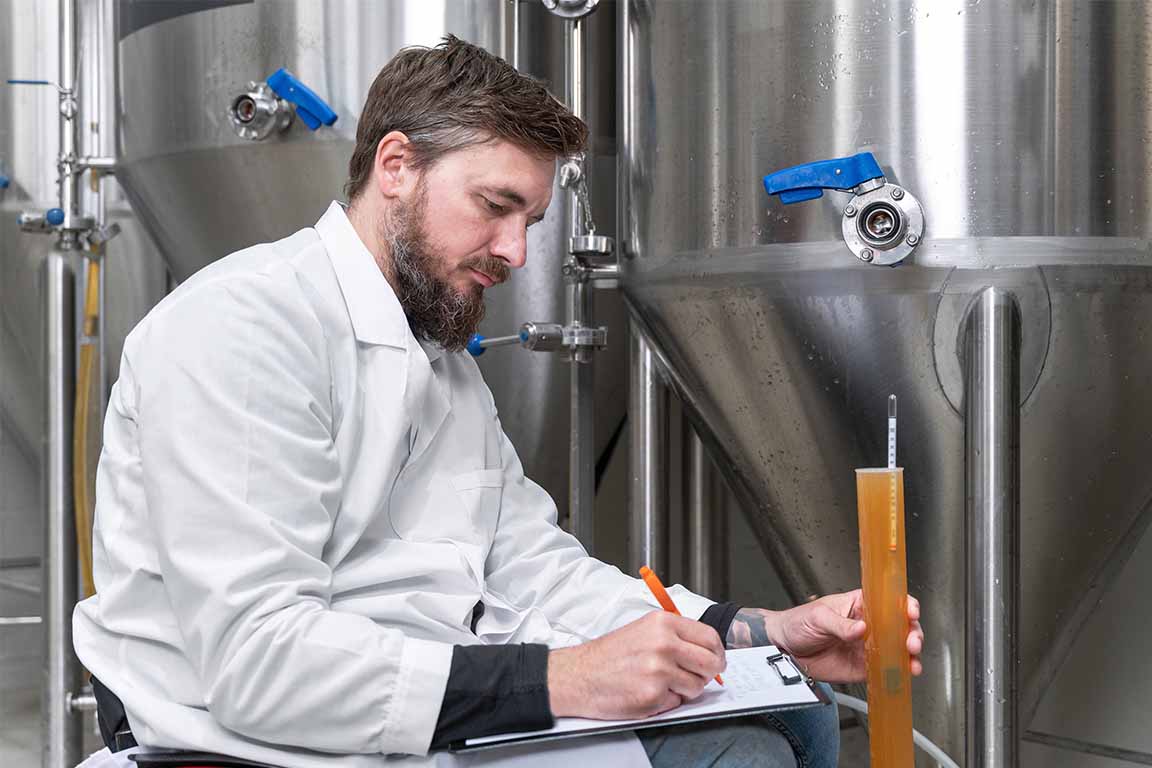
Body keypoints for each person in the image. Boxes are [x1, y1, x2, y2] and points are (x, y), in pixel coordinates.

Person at [73, 36, 923, 768]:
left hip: (427, 711)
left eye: (533, 219)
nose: (516, 251)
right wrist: (564, 679)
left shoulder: (439, 362)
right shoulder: (245, 328)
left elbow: (532, 566)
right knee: (733, 754)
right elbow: (259, 662)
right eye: (495, 206)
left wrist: (759, 632)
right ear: (397, 166)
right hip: (248, 736)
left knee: (796, 709)